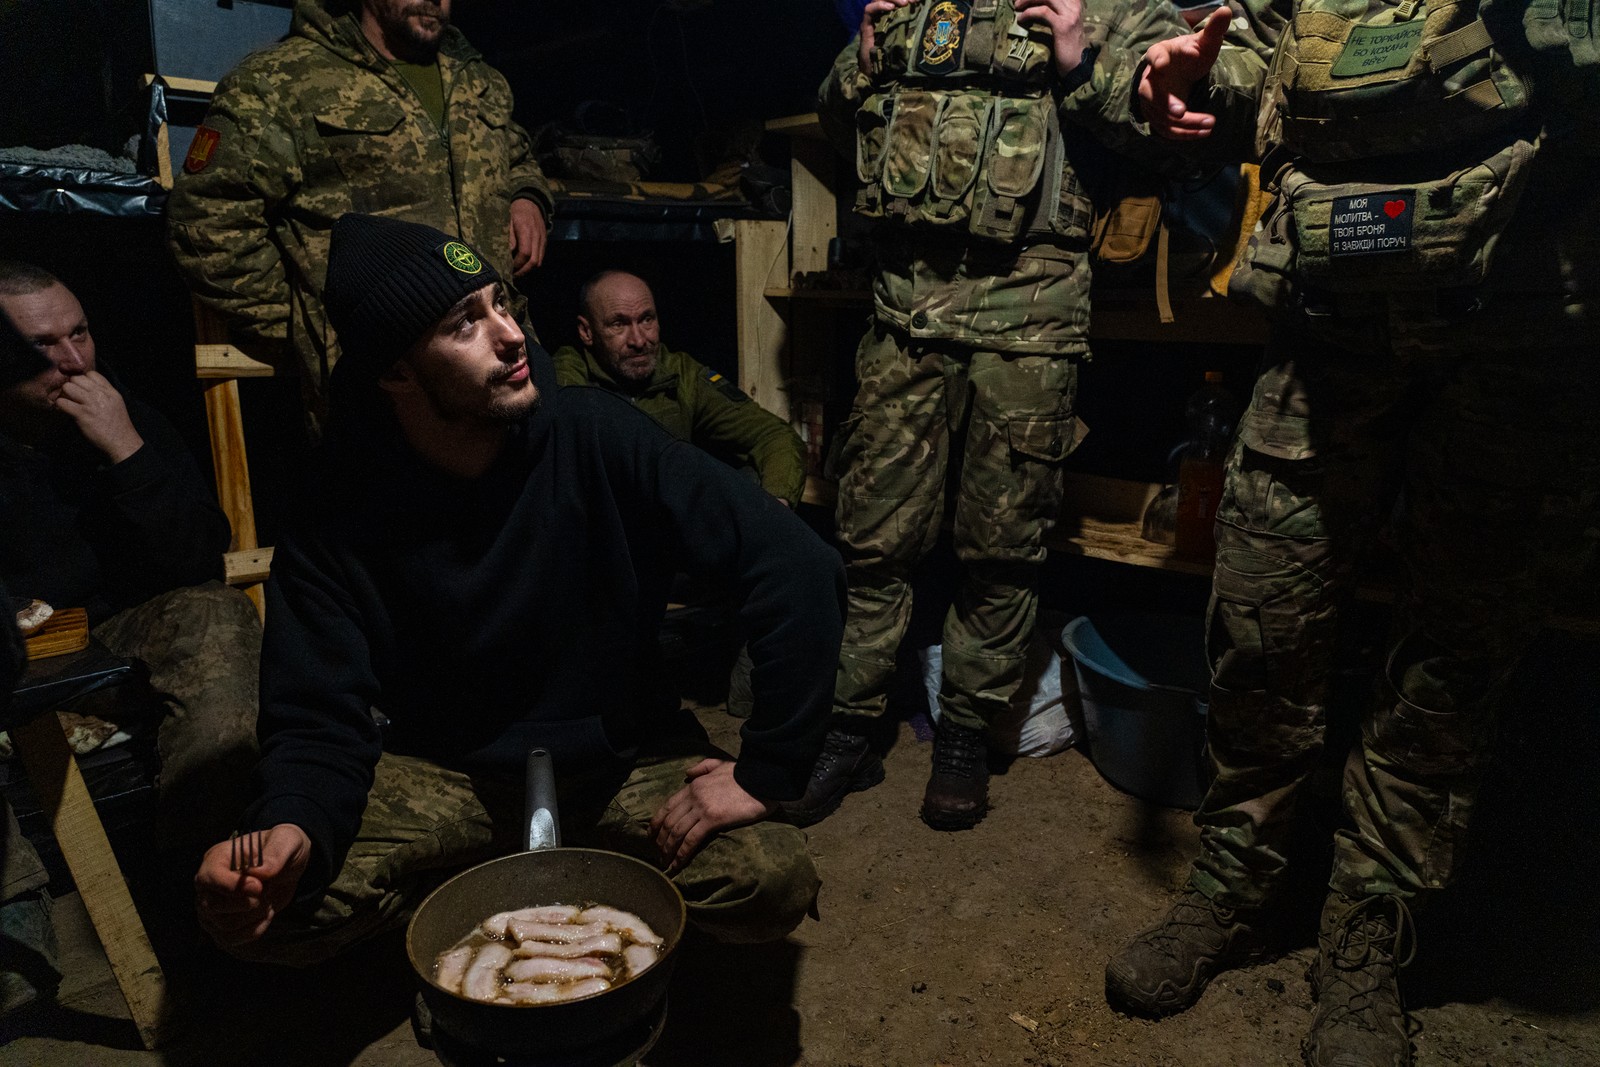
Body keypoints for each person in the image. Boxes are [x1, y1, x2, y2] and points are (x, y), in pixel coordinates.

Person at [1104, 7, 1600, 1066]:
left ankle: (1365, 928)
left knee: (1448, 653)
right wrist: (1183, 79)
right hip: (1329, 319)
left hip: (1516, 318)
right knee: (1261, 611)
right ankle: (1236, 885)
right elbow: (1247, 52)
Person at [191, 215, 844, 961]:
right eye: (463, 323)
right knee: (278, 910)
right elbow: (314, 713)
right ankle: (502, 889)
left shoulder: (597, 434)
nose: (508, 335)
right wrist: (294, 821)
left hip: (615, 760)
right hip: (451, 770)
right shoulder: (339, 506)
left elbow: (795, 565)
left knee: (772, 879)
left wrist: (768, 767)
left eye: (500, 303)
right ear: (397, 373)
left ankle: (536, 888)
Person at [792, 0, 1266, 830]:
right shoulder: (914, 6)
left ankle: (967, 733)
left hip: (1032, 313)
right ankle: (851, 722)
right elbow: (845, 124)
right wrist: (859, 62)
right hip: (906, 308)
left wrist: (1083, 61)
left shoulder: (1105, 6)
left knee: (1002, 543)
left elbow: (1174, 136)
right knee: (874, 534)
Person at [0, 262, 261, 1011]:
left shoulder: (122, 411)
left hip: (111, 639)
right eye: (41, 345)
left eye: (79, 332)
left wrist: (128, 452)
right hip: (16, 653)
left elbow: (198, 563)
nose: (74, 360)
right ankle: (15, 928)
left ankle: (206, 879)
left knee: (216, 614)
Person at [166, 0, 556, 431]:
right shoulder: (281, 81)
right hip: (388, 390)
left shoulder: (477, 79)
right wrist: (313, 328)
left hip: (505, 365)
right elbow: (205, 222)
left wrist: (527, 197)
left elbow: (517, 155)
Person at [552, 270, 807, 508]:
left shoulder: (681, 375)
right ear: (587, 332)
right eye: (619, 324)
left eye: (647, 320)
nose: (639, 340)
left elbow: (774, 436)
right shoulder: (568, 374)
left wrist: (774, 512)